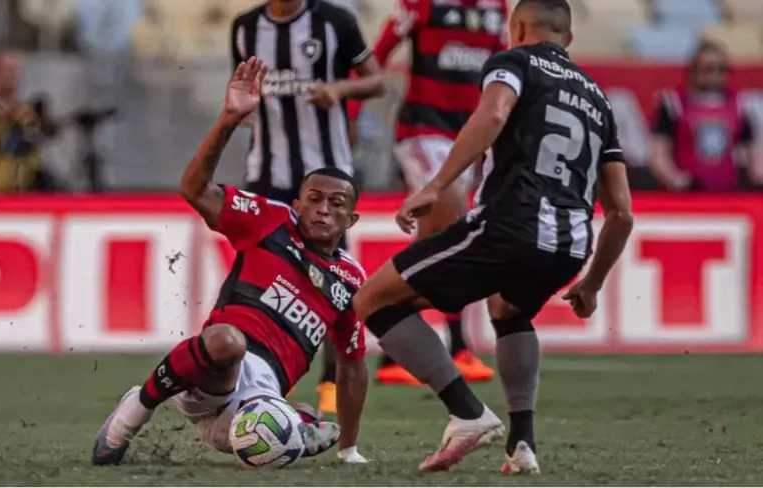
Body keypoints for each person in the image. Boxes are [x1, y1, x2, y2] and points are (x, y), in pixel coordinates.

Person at [351, 0, 633, 474]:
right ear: (568, 38)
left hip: (509, 225)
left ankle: (466, 412)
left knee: (372, 300)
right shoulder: (598, 98)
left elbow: (494, 115)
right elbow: (622, 212)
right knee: (508, 309)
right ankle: (522, 445)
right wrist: (592, 283)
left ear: (517, 26)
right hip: (570, 247)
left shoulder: (512, 61)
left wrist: (436, 186)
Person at [92, 57, 370, 467]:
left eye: (337, 204)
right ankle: (133, 412)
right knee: (228, 341)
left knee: (274, 443)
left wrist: (350, 448)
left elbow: (352, 363)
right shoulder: (271, 220)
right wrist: (228, 119)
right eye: (314, 199)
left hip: (254, 411)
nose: (323, 210)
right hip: (210, 378)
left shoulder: (350, 278)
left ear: (352, 219)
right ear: (297, 203)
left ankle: (294, 423)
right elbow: (193, 189)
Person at [230, 0, 385, 414]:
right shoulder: (245, 28)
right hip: (264, 177)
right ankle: (253, 380)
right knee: (255, 281)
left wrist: (339, 89)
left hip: (326, 181)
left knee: (332, 285)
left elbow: (377, 81)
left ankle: (331, 385)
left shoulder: (335, 22)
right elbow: (243, 90)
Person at [348, 0, 511, 385]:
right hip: (423, 128)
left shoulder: (496, 8)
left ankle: (392, 351)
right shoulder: (421, 3)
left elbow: (504, 68)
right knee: (451, 211)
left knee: (435, 239)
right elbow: (378, 55)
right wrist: (354, 113)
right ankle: (457, 346)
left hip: (469, 135)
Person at [649, 40, 762, 191]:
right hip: (686, 193)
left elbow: (754, 154)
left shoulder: (740, 105)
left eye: (721, 69)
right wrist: (674, 178)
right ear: (694, 70)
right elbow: (659, 153)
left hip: (727, 192)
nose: (715, 75)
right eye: (708, 69)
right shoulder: (673, 104)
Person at [0, 51, 63, 193]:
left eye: (15, 71)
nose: (11, 76)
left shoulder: (28, 113)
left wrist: (41, 117)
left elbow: (51, 132)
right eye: (6, 70)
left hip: (29, 191)